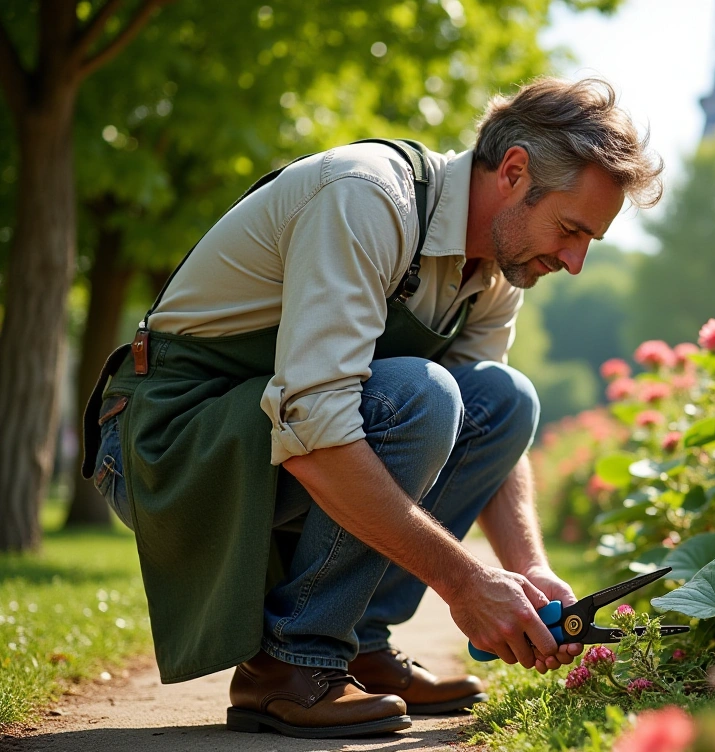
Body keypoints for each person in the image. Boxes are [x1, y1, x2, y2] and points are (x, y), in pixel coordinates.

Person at [80, 77, 662, 739]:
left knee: (504, 400)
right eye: (570, 229)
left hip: (261, 435)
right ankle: (293, 664)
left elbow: (486, 437)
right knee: (419, 395)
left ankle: (356, 644)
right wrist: (466, 584)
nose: (576, 260)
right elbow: (316, 427)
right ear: (513, 171)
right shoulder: (366, 198)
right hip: (163, 443)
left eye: (590, 241)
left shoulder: (498, 269)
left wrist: (529, 570)